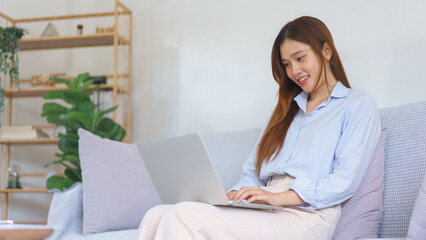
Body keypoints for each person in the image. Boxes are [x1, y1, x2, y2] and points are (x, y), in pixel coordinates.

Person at [137, 16, 381, 240]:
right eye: (286, 64)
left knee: (182, 216)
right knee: (156, 214)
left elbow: (344, 180)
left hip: (307, 215)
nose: (294, 71)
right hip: (266, 207)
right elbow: (251, 174)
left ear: (325, 51)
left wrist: (281, 197)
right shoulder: (284, 113)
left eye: (300, 58)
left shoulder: (357, 106)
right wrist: (233, 195)